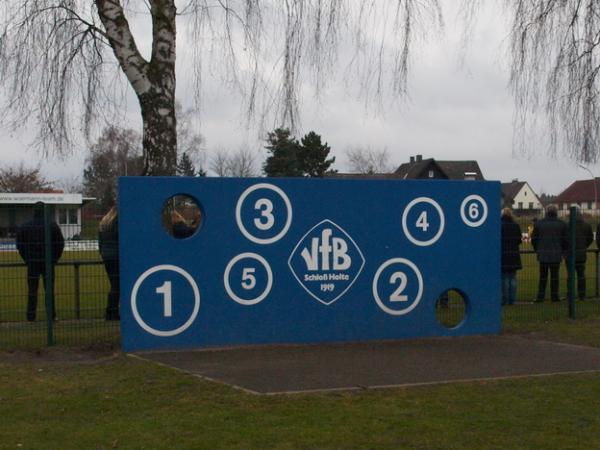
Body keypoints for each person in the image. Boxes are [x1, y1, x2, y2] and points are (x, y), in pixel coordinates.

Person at [16, 202, 65, 322]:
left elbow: (19, 245)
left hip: (32, 262)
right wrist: (54, 259)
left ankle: (31, 316)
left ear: (34, 211)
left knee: (32, 290)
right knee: (49, 290)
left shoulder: (25, 226)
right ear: (45, 211)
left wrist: (26, 259)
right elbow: (60, 244)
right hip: (48, 262)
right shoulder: (52, 225)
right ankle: (51, 315)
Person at [531, 205, 568, 302]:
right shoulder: (562, 224)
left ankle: (540, 297)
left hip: (543, 254)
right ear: (556, 212)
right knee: (555, 277)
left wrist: (537, 249)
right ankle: (555, 297)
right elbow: (565, 240)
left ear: (546, 212)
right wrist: (563, 251)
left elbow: (534, 239)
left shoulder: (539, 224)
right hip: (556, 254)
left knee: (543, 277)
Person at [566, 208, 593, 301]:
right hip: (581, 254)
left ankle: (570, 295)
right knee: (581, 275)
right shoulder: (587, 225)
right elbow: (590, 239)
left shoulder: (567, 225)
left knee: (570, 276)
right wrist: (584, 247)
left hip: (569, 254)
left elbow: (564, 240)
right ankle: (582, 295)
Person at [98, 206, 120, 320]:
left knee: (114, 284)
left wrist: (102, 252)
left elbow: (100, 241)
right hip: (117, 255)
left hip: (107, 255)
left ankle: (111, 311)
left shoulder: (104, 223)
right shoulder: (118, 221)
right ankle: (112, 312)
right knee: (117, 286)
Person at [500, 208, 522, 305]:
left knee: (504, 279)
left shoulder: (499, 226)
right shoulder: (516, 225)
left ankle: (505, 300)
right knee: (513, 278)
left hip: (502, 254)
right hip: (513, 254)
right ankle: (512, 300)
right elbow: (519, 240)